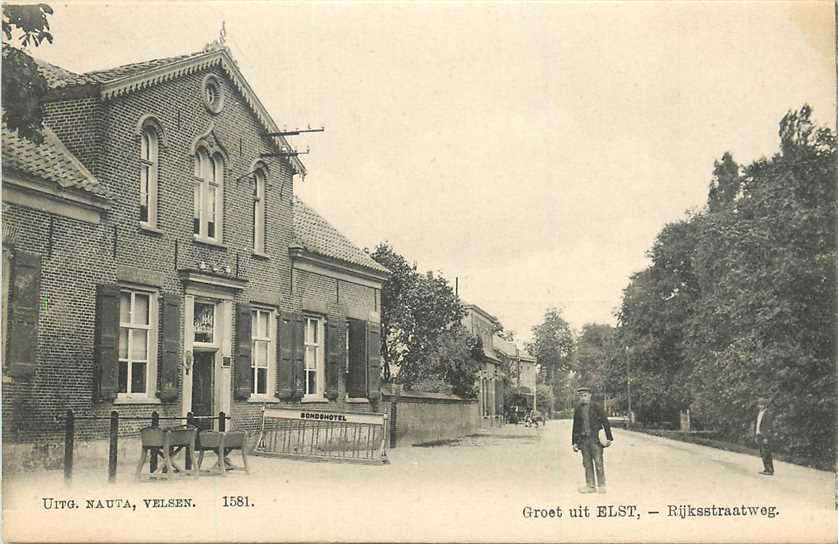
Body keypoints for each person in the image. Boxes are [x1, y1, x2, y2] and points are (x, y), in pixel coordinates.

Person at [571, 386, 613, 494]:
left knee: (598, 462)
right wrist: (575, 442)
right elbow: (575, 426)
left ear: (590, 396)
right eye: (581, 396)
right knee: (587, 463)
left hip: (596, 440)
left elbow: (605, 421)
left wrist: (609, 438)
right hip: (584, 441)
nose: (583, 398)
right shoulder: (578, 409)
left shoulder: (597, 407)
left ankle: (602, 485)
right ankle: (590, 485)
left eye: (585, 396)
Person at [754, 397, 775, 476]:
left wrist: (766, 437)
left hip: (765, 436)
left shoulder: (768, 413)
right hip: (759, 434)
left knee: (766, 452)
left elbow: (769, 426)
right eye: (759, 404)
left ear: (765, 405)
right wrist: (756, 434)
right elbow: (757, 424)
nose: (759, 406)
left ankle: (770, 469)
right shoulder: (759, 413)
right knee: (762, 453)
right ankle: (766, 468)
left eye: (761, 404)